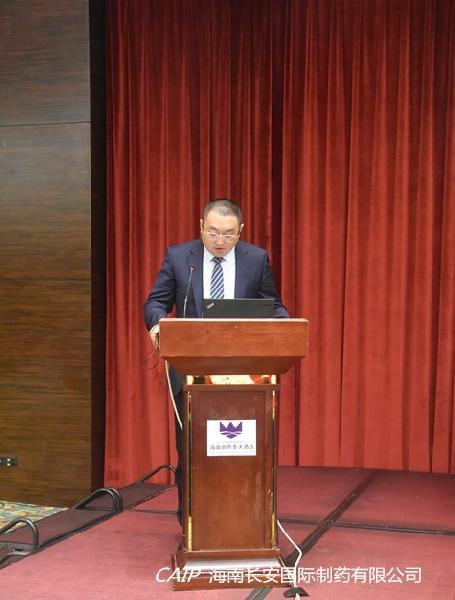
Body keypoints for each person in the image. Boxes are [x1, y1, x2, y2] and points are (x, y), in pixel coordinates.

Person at [143, 198, 289, 524]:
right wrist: (157, 325)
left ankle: (241, 521)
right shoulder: (180, 258)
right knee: (193, 449)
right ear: (201, 227)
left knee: (239, 447)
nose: (220, 241)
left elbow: (272, 304)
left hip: (242, 372)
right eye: (213, 233)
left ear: (240, 231)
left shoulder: (256, 259)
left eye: (228, 234)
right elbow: (155, 302)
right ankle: (192, 524)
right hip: (191, 369)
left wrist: (283, 326)